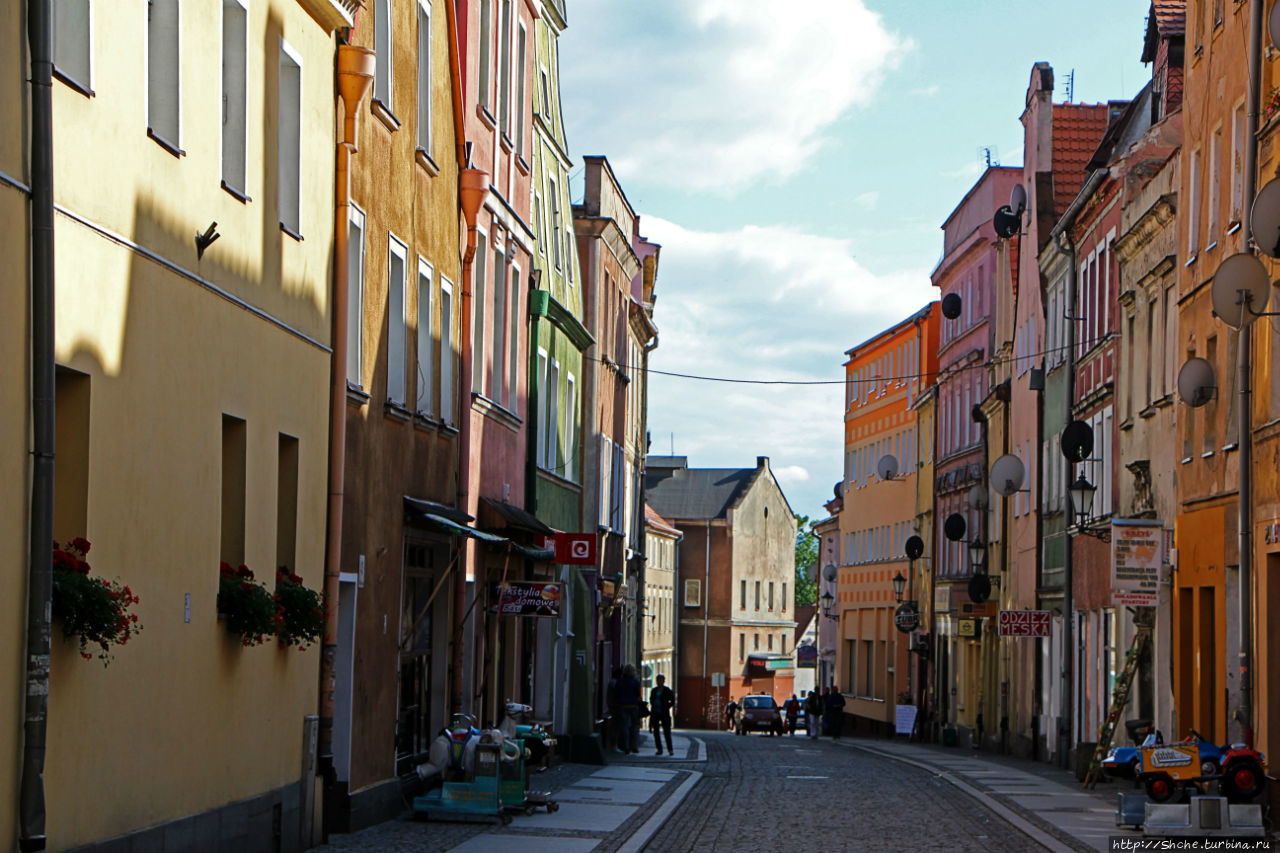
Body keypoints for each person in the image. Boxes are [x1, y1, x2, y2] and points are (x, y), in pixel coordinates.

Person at [614, 664, 643, 754]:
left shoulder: (620, 681)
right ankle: (634, 746)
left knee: (624, 726)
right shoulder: (635, 682)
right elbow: (638, 694)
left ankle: (626, 746)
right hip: (634, 705)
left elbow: (617, 694)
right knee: (634, 726)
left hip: (623, 706)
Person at [649, 674, 676, 755]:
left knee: (667, 732)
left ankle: (670, 749)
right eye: (658, 680)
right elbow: (651, 700)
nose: (659, 682)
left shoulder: (667, 690)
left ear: (664, 681)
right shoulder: (654, 690)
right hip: (655, 713)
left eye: (661, 680)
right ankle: (659, 749)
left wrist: (667, 706)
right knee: (656, 732)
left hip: (664, 713)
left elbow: (672, 700)